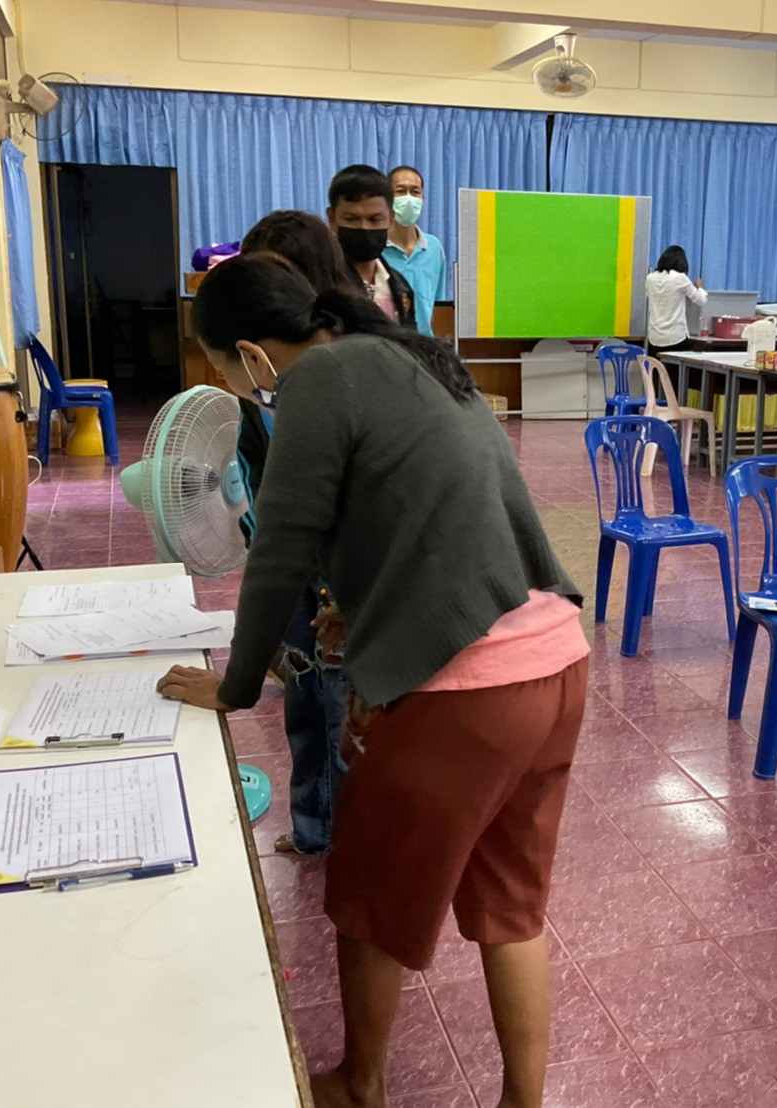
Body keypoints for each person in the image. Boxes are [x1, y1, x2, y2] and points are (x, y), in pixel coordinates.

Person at [158, 253, 588, 1108]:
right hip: (556, 662)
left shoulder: (316, 380)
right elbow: (450, 514)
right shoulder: (410, 355)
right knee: (511, 907)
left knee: (366, 901)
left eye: (221, 370)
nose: (233, 390)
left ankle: (359, 1085)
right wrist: (365, 615)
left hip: (470, 693)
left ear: (251, 353)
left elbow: (279, 551)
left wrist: (236, 687)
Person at [230, 209, 367, 856]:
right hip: (292, 556)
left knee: (340, 702)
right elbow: (257, 469)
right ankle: (315, 827)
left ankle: (355, 840)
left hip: (340, 562)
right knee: (302, 695)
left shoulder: (343, 365)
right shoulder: (262, 373)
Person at [326, 164, 416, 329]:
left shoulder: (400, 287)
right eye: (352, 219)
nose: (364, 227)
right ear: (332, 218)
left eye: (375, 220)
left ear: (390, 219)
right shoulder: (320, 283)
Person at [382, 165, 448, 337]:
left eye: (415, 192)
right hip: (386, 342)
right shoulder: (376, 248)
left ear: (423, 198)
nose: (409, 198)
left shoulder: (434, 248)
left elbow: (438, 305)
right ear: (387, 198)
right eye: (400, 191)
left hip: (425, 344)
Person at [644, 244, 708, 359]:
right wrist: (700, 287)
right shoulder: (680, 278)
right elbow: (700, 300)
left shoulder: (650, 278)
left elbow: (649, 296)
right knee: (677, 370)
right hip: (675, 337)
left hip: (654, 337)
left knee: (656, 369)